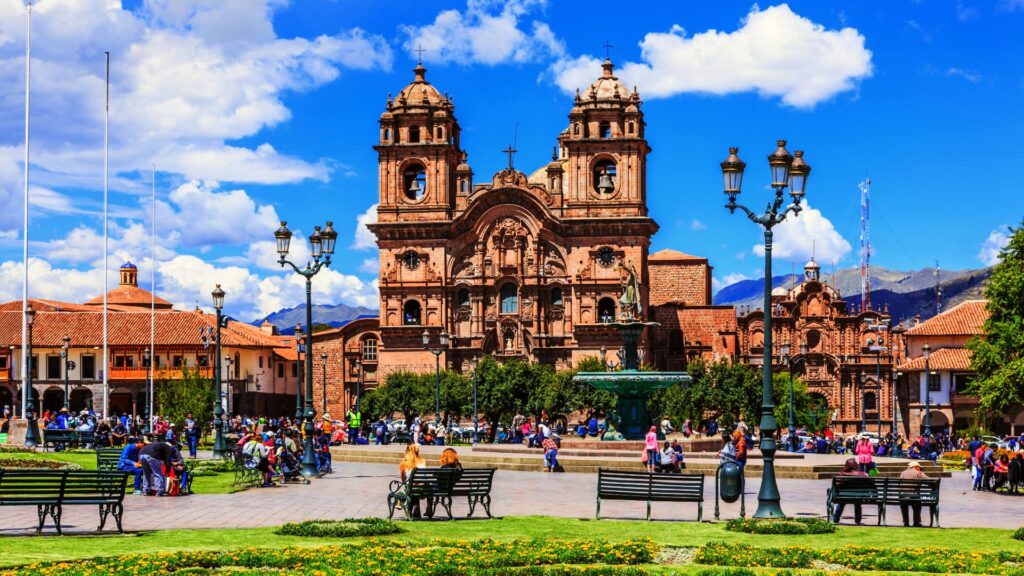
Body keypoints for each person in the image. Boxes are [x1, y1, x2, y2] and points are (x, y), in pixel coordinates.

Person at [831, 458, 869, 524]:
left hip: (844, 496)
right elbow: (870, 485)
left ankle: (836, 519)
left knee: (841, 502)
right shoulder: (863, 474)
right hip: (858, 496)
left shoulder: (843, 475)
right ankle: (858, 520)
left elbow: (837, 486)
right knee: (857, 503)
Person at [899, 460, 930, 527]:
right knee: (917, 505)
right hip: (914, 497)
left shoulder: (903, 473)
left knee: (903, 504)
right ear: (915, 467)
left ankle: (906, 522)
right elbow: (929, 480)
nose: (920, 469)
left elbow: (900, 485)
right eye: (919, 467)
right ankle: (916, 522)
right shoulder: (918, 473)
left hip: (903, 497)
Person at [399, 444, 426, 518]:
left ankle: (401, 501)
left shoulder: (404, 463)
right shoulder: (422, 461)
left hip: (410, 488)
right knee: (414, 488)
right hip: (422, 489)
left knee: (407, 487)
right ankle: (416, 510)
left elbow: (403, 479)